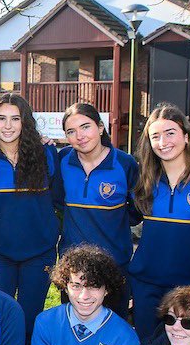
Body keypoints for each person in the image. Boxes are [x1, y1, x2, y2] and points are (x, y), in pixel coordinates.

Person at [127, 105, 190, 340]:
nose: (163, 142)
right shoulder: (144, 180)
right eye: (155, 136)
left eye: (170, 133)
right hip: (147, 284)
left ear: (186, 136)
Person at [0, 94, 58, 332]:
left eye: (15, 118)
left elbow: (59, 199)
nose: (8, 125)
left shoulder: (46, 154)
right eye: (1, 118)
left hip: (40, 253)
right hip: (0, 253)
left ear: (25, 122)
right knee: (1, 319)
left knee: (31, 320)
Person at [55, 103, 139, 314]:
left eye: (85, 127)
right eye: (71, 131)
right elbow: (56, 201)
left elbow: (137, 211)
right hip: (73, 267)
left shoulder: (125, 163)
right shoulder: (62, 160)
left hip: (114, 264)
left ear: (100, 127)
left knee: (114, 324)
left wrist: (112, 223)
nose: (80, 136)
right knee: (74, 325)